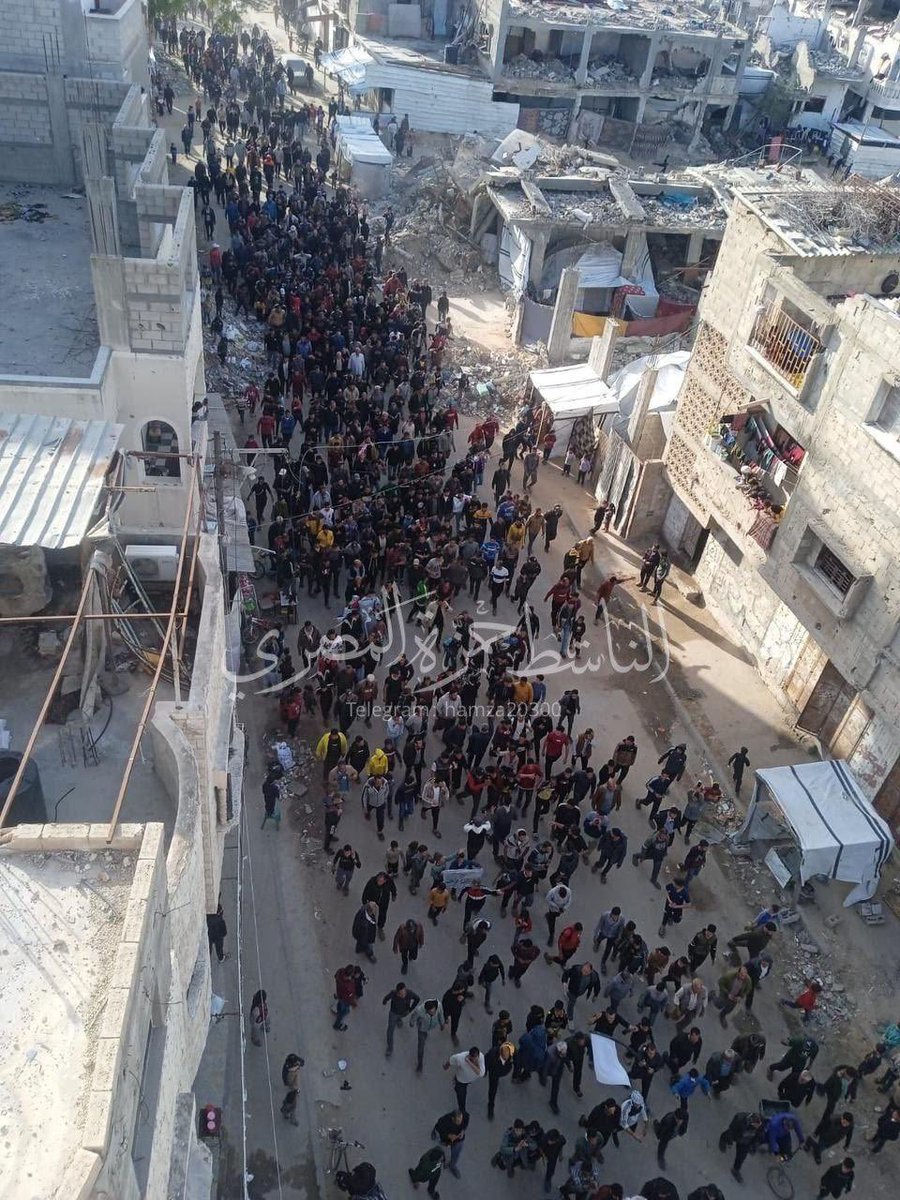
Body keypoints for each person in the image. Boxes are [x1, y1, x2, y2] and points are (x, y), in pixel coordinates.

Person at [718, 1110, 765, 1182]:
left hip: (746, 1140)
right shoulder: (739, 1118)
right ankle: (723, 1140)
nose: (757, 1127)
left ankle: (735, 1170)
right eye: (756, 1125)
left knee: (741, 1157)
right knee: (727, 1135)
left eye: (758, 1125)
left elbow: (758, 1136)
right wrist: (730, 1142)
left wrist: (753, 1146)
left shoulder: (760, 1125)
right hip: (737, 1134)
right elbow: (731, 1130)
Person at [443, 1046, 485, 1113]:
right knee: (461, 1097)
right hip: (461, 1082)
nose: (476, 1060)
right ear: (470, 1056)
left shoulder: (481, 1057)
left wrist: (470, 1063)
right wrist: (446, 1066)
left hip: (470, 1079)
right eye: (474, 1059)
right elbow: (451, 1059)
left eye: (477, 1057)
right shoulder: (460, 1058)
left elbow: (481, 1074)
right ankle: (462, 1111)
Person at [432, 1108, 469, 1179]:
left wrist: (463, 1131)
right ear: (452, 1118)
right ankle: (434, 1132)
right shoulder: (445, 1121)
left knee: (456, 1153)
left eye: (461, 1119)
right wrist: (448, 1135)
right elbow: (440, 1128)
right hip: (446, 1139)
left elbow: (466, 1122)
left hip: (458, 1140)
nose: (460, 1122)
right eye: (458, 1121)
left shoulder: (465, 1116)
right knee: (441, 1151)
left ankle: (452, 1166)